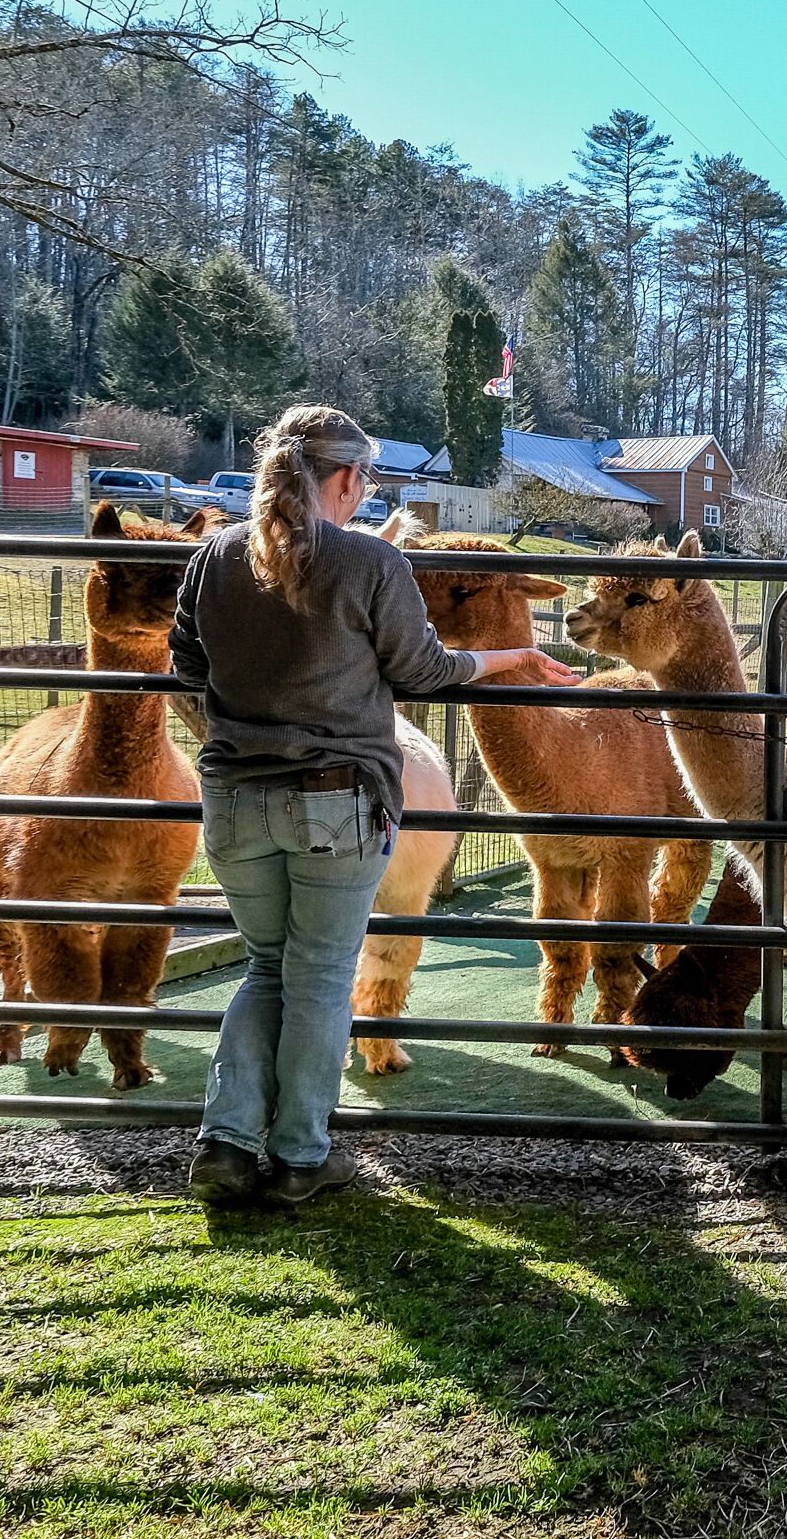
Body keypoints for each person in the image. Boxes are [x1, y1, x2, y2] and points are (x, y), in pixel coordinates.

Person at [170, 404, 576, 1204]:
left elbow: (188, 663)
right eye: (369, 481)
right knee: (320, 976)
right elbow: (424, 670)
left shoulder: (213, 558)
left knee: (265, 967)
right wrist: (510, 655)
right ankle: (298, 1154)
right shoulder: (367, 563)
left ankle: (226, 1140)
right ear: (351, 478)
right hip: (334, 800)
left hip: (232, 796)